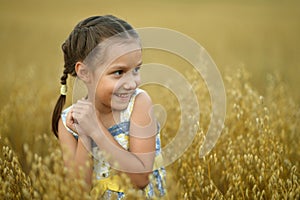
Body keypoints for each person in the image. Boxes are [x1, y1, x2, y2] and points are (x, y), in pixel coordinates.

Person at [51, 15, 166, 199]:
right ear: (85, 72)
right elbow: (78, 191)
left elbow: (140, 179)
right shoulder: (68, 122)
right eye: (119, 72)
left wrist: (96, 129)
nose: (131, 83)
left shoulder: (139, 104)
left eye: (136, 69)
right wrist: (84, 135)